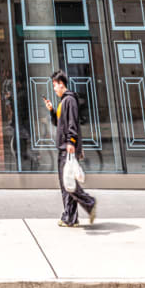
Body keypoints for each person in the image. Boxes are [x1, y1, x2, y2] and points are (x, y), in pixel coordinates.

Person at [44, 70, 97, 228]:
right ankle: (70, 218)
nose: (54, 88)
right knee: (67, 181)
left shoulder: (70, 100)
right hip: (65, 146)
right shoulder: (63, 102)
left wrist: (71, 142)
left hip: (67, 147)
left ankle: (89, 203)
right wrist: (52, 111)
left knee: (67, 182)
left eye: (55, 85)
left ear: (61, 84)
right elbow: (58, 124)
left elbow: (73, 123)